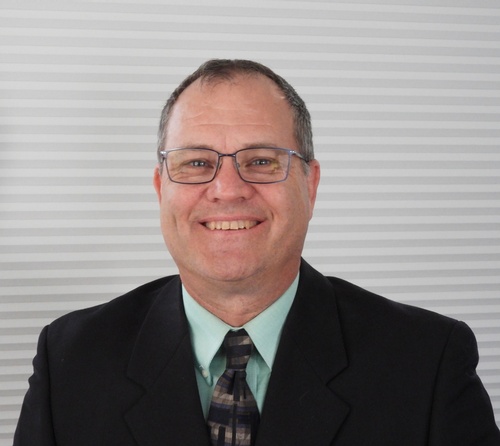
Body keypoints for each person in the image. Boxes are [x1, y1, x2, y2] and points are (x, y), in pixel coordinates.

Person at [14, 59, 500, 446]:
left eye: (262, 161)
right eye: (197, 162)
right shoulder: (71, 361)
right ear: (161, 188)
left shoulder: (427, 362)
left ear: (310, 185)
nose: (227, 189)